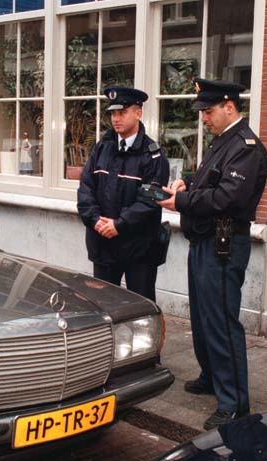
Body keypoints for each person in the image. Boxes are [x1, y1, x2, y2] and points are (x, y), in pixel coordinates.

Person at [157, 79, 267, 430]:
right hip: (205, 241)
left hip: (223, 244)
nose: (204, 118)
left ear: (229, 106)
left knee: (221, 321)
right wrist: (186, 183)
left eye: (208, 111)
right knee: (205, 318)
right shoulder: (223, 143)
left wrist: (182, 201)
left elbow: (228, 198)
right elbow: (210, 182)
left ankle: (234, 403)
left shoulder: (246, 146)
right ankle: (212, 375)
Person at [77, 86, 169, 301]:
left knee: (140, 310)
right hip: (104, 246)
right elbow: (85, 188)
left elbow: (150, 200)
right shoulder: (102, 148)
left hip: (139, 250)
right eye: (113, 114)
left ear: (138, 113)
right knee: (104, 307)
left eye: (122, 112)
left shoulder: (153, 156)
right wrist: (95, 219)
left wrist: (119, 225)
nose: (116, 119)